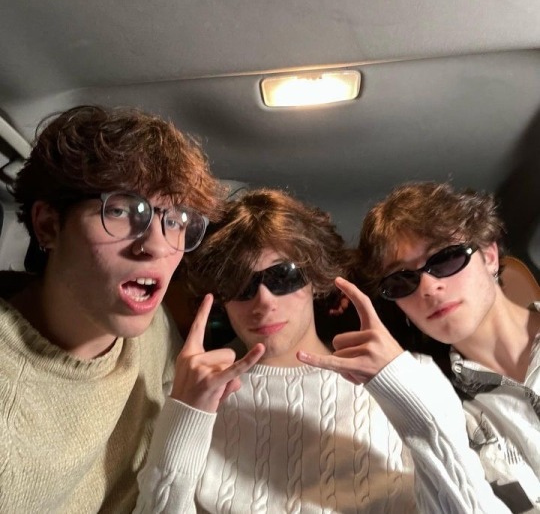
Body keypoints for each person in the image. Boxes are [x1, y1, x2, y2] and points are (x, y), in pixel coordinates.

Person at [135, 188, 509, 513]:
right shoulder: (189, 396)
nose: (263, 301)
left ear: (314, 279)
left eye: (282, 276)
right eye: (239, 284)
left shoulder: (413, 376)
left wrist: (404, 391)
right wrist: (185, 415)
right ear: (220, 298)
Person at [0, 104, 222, 513]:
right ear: (48, 225)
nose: (156, 245)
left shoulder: (151, 324)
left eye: (175, 219)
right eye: (120, 210)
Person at [356, 181, 540, 513]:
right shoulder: (442, 409)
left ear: (489, 256)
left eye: (445, 258)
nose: (428, 287)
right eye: (401, 280)